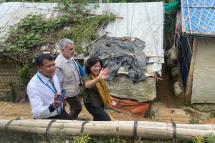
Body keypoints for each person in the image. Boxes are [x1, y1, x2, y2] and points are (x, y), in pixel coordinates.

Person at [27, 53, 69, 119]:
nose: (53, 68)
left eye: (54, 65)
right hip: (46, 120)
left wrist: (61, 101)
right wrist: (53, 107)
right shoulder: (33, 86)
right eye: (49, 66)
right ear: (39, 68)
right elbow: (37, 113)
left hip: (61, 113)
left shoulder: (54, 76)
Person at [55, 38, 82, 120]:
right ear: (62, 50)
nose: (73, 51)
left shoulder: (70, 58)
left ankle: (71, 119)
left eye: (73, 48)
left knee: (74, 108)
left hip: (74, 90)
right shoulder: (58, 64)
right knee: (77, 107)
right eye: (70, 49)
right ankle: (70, 121)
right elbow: (57, 83)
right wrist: (62, 97)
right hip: (67, 94)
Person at [83, 57, 112, 121]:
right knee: (107, 120)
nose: (97, 68)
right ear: (89, 67)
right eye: (95, 66)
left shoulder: (98, 76)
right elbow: (87, 85)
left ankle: (94, 130)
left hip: (99, 102)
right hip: (91, 104)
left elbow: (103, 89)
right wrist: (98, 78)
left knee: (98, 120)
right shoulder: (87, 76)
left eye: (99, 66)